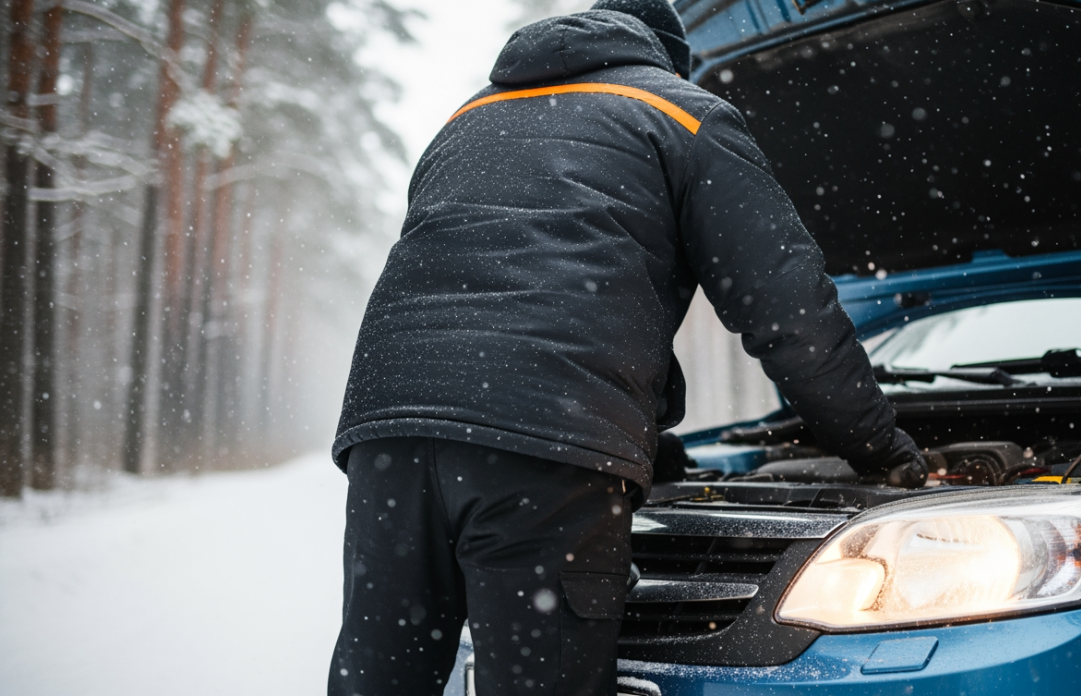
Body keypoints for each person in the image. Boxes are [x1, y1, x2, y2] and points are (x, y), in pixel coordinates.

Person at [327, 1, 927, 694]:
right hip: (542, 443)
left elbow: (534, 292)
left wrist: (650, 447)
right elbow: (792, 315)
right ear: (668, 59)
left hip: (389, 432)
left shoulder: (469, 117)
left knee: (379, 678)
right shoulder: (681, 111)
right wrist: (880, 449)